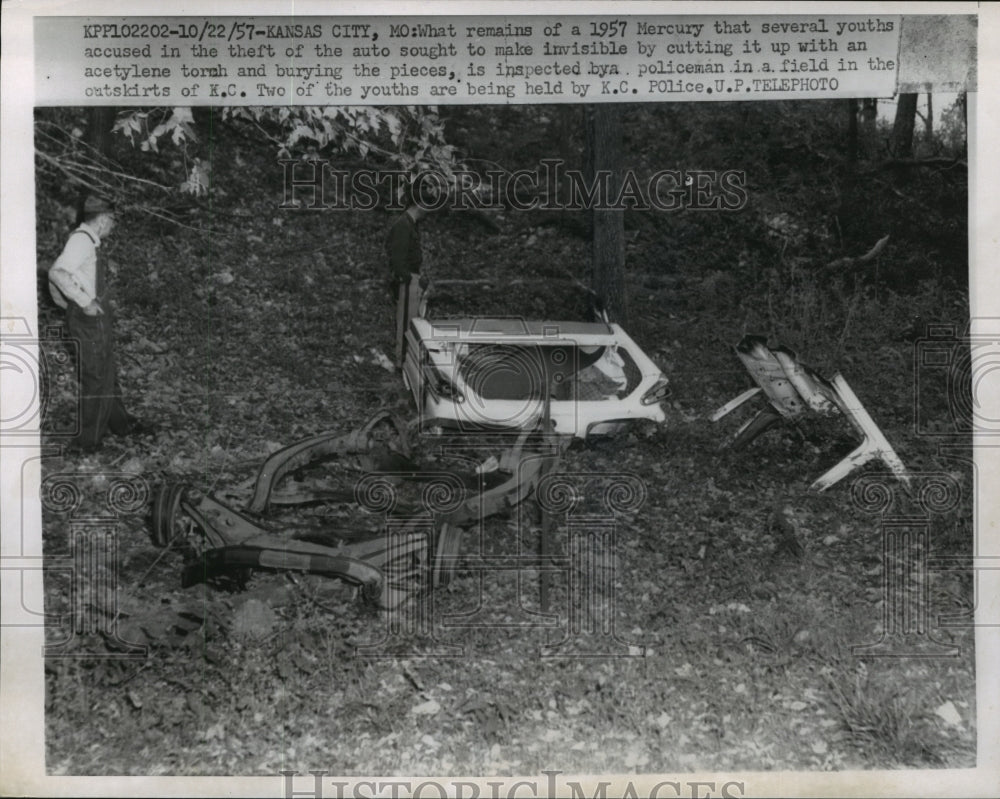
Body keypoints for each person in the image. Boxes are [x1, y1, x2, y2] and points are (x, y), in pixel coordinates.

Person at [48, 195, 150, 453]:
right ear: (103, 219)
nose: (113, 225)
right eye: (112, 220)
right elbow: (57, 273)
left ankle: (120, 423)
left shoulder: (88, 241)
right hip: (88, 319)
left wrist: (67, 303)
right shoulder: (81, 241)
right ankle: (86, 442)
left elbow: (62, 277)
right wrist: (82, 303)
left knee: (107, 370)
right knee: (95, 376)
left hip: (94, 317)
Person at [385, 202, 429, 366]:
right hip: (407, 280)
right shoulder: (403, 225)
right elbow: (397, 256)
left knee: (413, 321)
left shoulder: (411, 224)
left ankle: (408, 360)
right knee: (406, 324)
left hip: (413, 278)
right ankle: (402, 362)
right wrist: (406, 277)